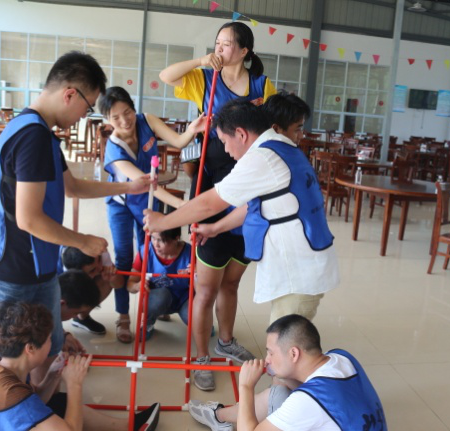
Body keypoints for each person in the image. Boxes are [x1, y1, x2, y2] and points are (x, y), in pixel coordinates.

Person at [0, 51, 152, 431]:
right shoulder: (32, 136)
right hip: (6, 271)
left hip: (38, 268)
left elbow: (72, 186)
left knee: (46, 349)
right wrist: (82, 241)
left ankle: (36, 418)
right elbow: (29, 218)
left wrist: (127, 187)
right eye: (87, 107)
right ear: (70, 94)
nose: (85, 117)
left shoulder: (42, 135)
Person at [144, 99, 339, 325]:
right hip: (303, 265)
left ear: (241, 134)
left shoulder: (262, 158)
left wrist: (162, 223)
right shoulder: (282, 146)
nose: (226, 149)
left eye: (224, 141)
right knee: (284, 335)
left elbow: (210, 203)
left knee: (285, 341)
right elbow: (253, 205)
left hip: (299, 272)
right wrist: (216, 228)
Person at [159, 21, 277, 391]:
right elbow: (166, 76)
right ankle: (200, 358)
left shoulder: (262, 87)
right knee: (206, 288)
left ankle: (225, 342)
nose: (220, 49)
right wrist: (200, 60)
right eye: (218, 43)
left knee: (232, 282)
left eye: (227, 44)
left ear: (244, 51)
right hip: (213, 187)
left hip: (249, 188)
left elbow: (273, 130)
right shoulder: (205, 80)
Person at [98, 86, 205, 344]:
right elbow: (149, 186)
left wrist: (193, 129)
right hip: (123, 204)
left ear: (133, 108)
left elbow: (179, 141)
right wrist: (183, 206)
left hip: (146, 200)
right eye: (115, 117)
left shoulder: (147, 120)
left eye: (127, 112)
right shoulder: (114, 150)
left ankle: (159, 302)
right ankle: (124, 316)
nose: (125, 121)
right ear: (106, 120)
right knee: (126, 258)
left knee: (151, 249)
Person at [0, 300, 160, 431]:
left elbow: (35, 400)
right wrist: (75, 384)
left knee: (58, 402)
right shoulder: (11, 396)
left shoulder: (0, 368)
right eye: (49, 339)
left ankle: (127, 427)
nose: (53, 344)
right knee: (67, 404)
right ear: (30, 348)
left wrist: (52, 375)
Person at [188, 314, 387, 431]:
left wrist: (246, 386)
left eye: (270, 352)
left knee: (279, 390)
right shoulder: (342, 357)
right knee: (280, 385)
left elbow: (307, 400)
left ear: (293, 353)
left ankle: (220, 416)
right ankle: (220, 416)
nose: (266, 359)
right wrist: (279, 373)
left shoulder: (307, 402)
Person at [125, 226, 191, 340]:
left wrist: (196, 275)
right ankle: (148, 323)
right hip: (158, 297)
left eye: (161, 240)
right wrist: (137, 286)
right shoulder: (145, 252)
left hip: (184, 299)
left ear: (176, 239)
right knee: (161, 296)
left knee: (199, 323)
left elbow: (206, 288)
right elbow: (130, 284)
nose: (155, 244)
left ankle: (203, 323)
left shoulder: (191, 253)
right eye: (153, 238)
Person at [60, 247, 124, 335]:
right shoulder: (57, 277)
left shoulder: (99, 251)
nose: (100, 268)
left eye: (99, 260)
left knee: (107, 278)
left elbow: (119, 284)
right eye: (92, 270)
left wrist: (112, 277)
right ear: (78, 273)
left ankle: (82, 318)